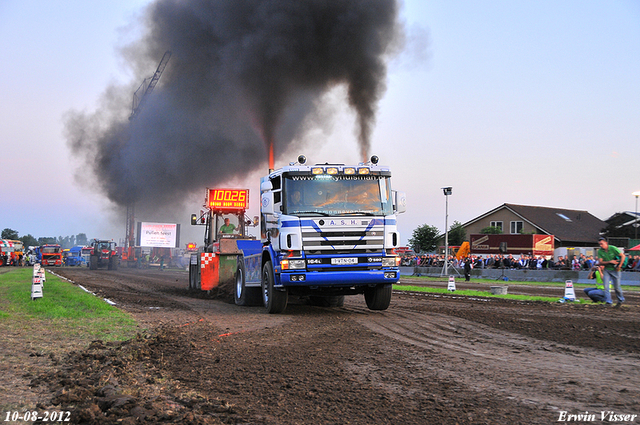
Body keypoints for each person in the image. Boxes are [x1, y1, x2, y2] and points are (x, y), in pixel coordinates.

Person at [597, 237, 625, 307]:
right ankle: (608, 302)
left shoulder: (613, 248)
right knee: (606, 287)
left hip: (615, 270)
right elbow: (600, 262)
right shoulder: (600, 251)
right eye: (599, 244)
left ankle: (620, 300)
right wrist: (610, 261)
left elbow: (623, 256)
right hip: (607, 269)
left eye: (601, 244)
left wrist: (619, 266)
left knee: (617, 287)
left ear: (606, 243)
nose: (600, 246)